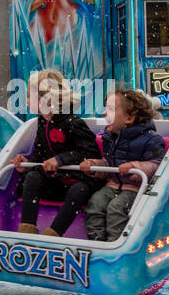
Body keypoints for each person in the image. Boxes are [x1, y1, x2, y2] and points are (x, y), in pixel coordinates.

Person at [11, 69, 103, 237]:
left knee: (79, 190)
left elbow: (91, 152)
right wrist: (27, 162)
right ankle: (27, 230)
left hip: (78, 180)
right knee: (32, 177)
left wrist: (61, 159)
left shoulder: (72, 123)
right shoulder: (41, 123)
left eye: (30, 95)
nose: (26, 100)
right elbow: (41, 155)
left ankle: (54, 233)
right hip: (56, 181)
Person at [80, 89, 165, 242]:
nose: (105, 113)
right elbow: (109, 163)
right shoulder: (110, 137)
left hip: (136, 188)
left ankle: (115, 242)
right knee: (95, 202)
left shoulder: (151, 139)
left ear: (130, 118)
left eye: (111, 109)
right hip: (113, 185)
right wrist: (94, 166)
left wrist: (135, 166)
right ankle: (96, 241)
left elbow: (157, 165)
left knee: (117, 208)